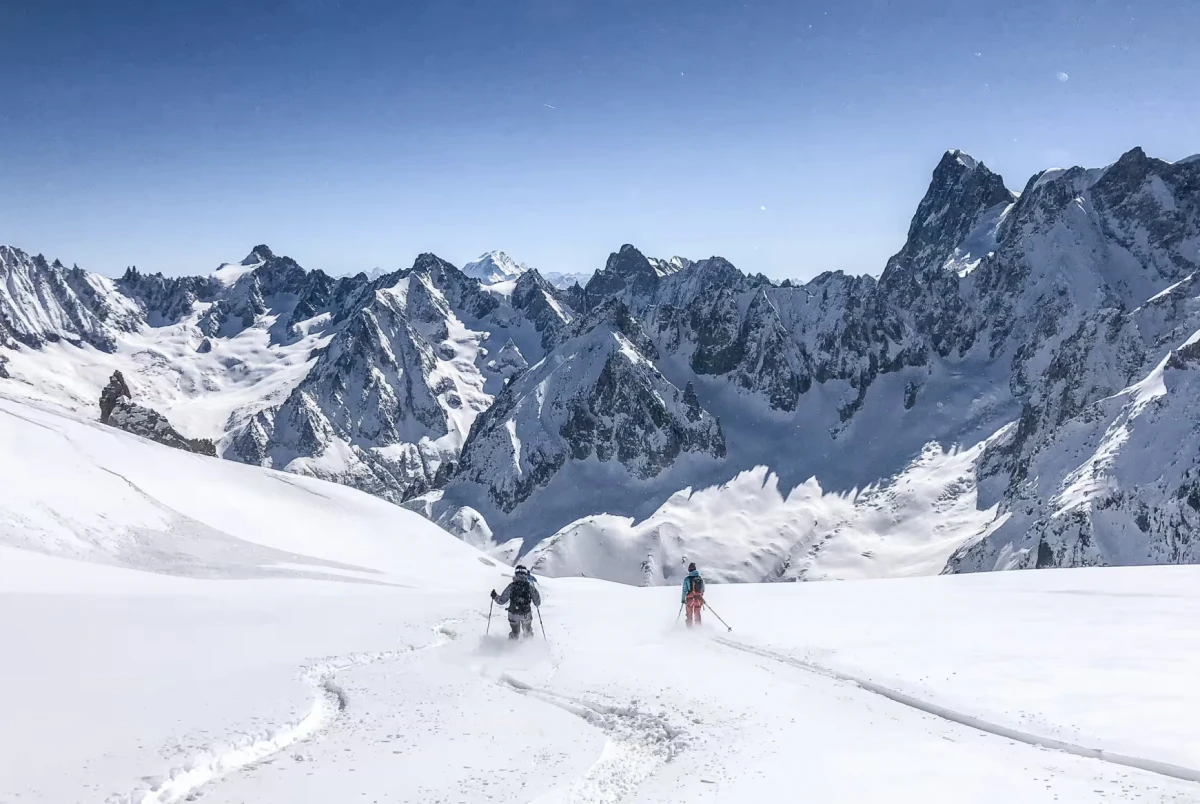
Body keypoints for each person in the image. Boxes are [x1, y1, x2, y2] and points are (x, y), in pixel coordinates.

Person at [491, 565, 541, 640]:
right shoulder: (529, 586)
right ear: (525, 574)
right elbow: (537, 602)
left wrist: (495, 596)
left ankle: (511, 648)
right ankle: (529, 647)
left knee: (514, 633)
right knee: (527, 632)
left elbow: (501, 601)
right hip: (526, 614)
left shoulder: (512, 586)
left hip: (513, 613)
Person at [681, 562, 705, 628]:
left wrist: (683, 599)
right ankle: (698, 628)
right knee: (697, 614)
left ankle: (690, 629)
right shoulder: (700, 578)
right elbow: (703, 589)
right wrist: (700, 596)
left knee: (689, 615)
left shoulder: (687, 579)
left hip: (690, 599)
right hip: (698, 599)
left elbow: (684, 590)